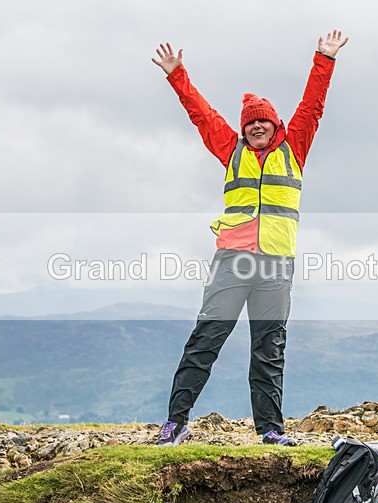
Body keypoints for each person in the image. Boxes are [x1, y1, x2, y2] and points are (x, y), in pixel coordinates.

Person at [150, 30, 348, 446]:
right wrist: (176, 74)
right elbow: (202, 115)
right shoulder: (230, 148)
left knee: (269, 349)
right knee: (206, 340)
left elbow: (312, 105)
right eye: (251, 123)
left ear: (275, 125)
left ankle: (271, 431)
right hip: (233, 261)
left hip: (276, 265)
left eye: (264, 121)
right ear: (244, 129)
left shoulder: (294, 146)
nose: (257, 125)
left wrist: (324, 59)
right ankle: (176, 422)